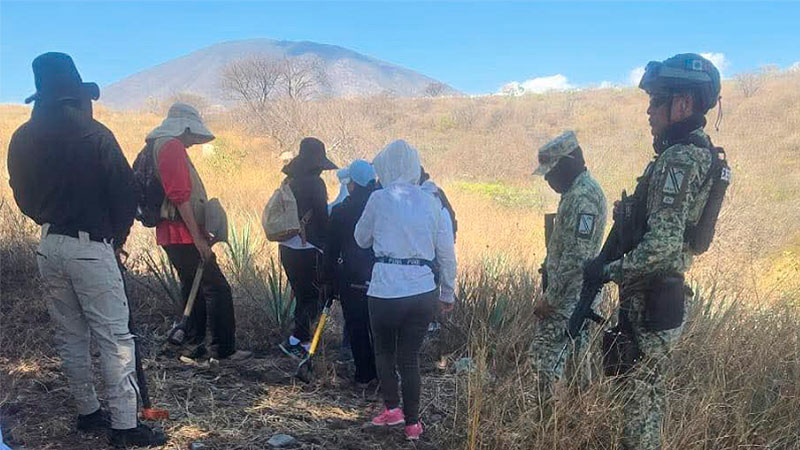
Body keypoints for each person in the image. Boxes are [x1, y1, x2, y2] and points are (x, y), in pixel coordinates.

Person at [7, 52, 166, 447]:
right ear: (75, 96)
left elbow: (22, 196)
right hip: (91, 246)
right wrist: (115, 238)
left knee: (70, 335)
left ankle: (88, 412)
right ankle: (126, 426)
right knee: (115, 337)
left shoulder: (22, 138)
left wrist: (51, 221)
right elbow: (124, 194)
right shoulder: (95, 134)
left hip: (50, 245)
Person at [587, 53, 723, 450]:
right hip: (662, 300)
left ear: (682, 104)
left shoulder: (678, 159)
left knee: (636, 405)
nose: (649, 110)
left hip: (651, 302)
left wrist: (608, 269)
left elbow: (663, 246)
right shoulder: (698, 154)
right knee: (648, 402)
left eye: (656, 100)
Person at [355, 140, 457, 440]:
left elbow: (361, 238)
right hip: (422, 288)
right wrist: (447, 293)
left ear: (386, 167)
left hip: (385, 286)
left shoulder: (378, 198)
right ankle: (413, 424)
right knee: (409, 356)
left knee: (384, 351)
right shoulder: (433, 201)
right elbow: (446, 253)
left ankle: (392, 409)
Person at [148, 103, 251, 361]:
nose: (194, 141)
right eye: (193, 134)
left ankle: (193, 344)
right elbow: (180, 196)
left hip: (172, 232)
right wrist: (198, 238)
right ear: (185, 127)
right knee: (217, 289)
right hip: (181, 232)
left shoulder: (161, 145)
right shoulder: (171, 147)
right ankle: (222, 349)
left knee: (192, 286)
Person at [529, 131, 607, 400]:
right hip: (572, 297)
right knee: (576, 364)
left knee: (542, 362)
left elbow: (576, 257)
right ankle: (575, 419)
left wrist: (549, 299)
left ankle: (544, 423)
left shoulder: (583, 197)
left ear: (568, 163)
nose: (549, 179)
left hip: (569, 300)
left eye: (551, 172)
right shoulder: (576, 192)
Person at [278, 137, 337, 358]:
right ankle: (298, 340)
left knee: (302, 294)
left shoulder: (289, 181)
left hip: (287, 246)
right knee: (314, 296)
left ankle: (297, 338)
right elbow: (322, 218)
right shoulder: (315, 183)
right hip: (307, 247)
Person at [321, 160, 378, 385]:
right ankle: (384, 374)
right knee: (379, 329)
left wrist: (328, 279)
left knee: (357, 326)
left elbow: (331, 250)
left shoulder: (341, 211)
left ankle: (364, 374)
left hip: (351, 278)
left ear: (353, 185)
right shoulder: (382, 206)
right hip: (380, 278)